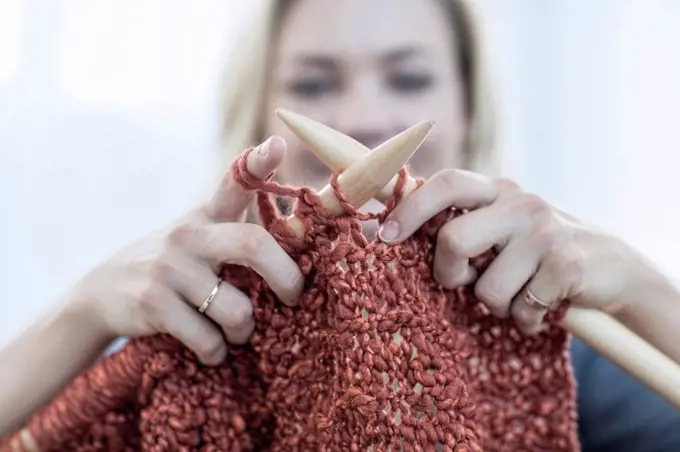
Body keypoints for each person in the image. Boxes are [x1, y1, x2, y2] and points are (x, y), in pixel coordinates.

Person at [1, 0, 679, 449]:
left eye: (408, 80)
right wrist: (83, 314)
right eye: (316, 85)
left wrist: (641, 290)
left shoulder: (544, 336)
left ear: (468, 107)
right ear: (261, 110)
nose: (361, 117)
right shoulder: (189, 333)